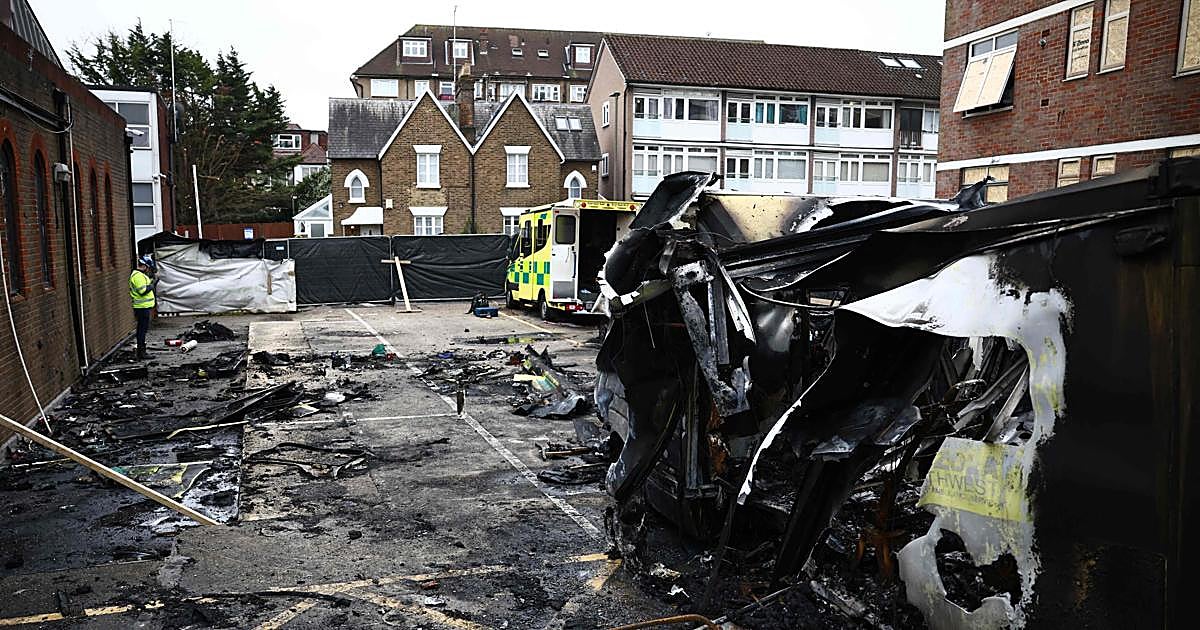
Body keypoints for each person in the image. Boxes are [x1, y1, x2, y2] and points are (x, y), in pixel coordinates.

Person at [129, 255, 158, 360]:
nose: (148, 270)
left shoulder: (140, 275)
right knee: (141, 330)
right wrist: (152, 285)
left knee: (143, 330)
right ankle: (142, 353)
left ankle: (142, 352)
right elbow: (142, 291)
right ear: (145, 266)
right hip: (141, 308)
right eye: (148, 267)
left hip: (144, 307)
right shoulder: (137, 276)